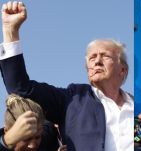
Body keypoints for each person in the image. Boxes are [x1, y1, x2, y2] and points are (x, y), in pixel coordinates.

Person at [0, 1, 133, 151]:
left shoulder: (136, 107)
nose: (97, 61)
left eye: (105, 56)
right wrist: (11, 31)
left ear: (122, 69)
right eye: (92, 57)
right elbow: (21, 88)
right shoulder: (72, 100)